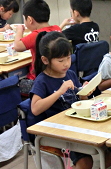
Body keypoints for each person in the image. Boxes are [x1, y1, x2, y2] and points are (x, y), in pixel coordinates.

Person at [30, 31, 94, 169]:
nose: (66, 64)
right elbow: (35, 109)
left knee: (110, 150)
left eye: (68, 58)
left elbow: (79, 99)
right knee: (85, 162)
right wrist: (59, 92)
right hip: (59, 130)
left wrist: (84, 92)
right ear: (45, 60)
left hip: (75, 124)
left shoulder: (69, 73)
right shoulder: (42, 81)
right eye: (61, 61)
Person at [13, 0, 61, 96]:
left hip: (37, 81)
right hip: (56, 78)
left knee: (12, 85)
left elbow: (17, 46)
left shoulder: (37, 34)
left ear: (30, 20)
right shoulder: (57, 29)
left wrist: (19, 30)